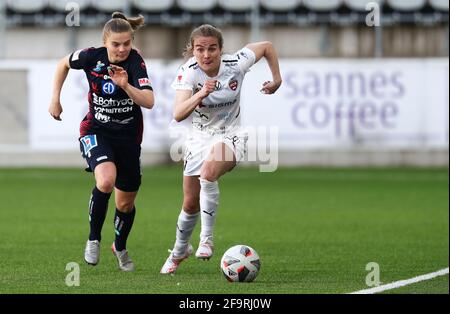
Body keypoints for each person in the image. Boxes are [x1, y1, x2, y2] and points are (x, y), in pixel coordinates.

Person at [160, 24, 282, 274]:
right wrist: (200, 94)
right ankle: (179, 250)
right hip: (199, 138)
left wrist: (277, 79)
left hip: (231, 135)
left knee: (209, 173)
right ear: (193, 51)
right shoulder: (189, 73)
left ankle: (206, 239)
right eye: (200, 49)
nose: (206, 55)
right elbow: (178, 113)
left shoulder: (236, 63)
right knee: (190, 204)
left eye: (212, 49)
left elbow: (267, 47)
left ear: (221, 49)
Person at [49, 12, 154, 272]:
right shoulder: (90, 56)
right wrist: (55, 98)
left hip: (128, 138)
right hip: (95, 130)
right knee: (105, 180)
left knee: (125, 203)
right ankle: (93, 239)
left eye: (126, 43)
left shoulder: (135, 63)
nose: (121, 49)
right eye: (116, 44)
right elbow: (63, 63)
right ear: (105, 42)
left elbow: (149, 102)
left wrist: (126, 85)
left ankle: (119, 246)